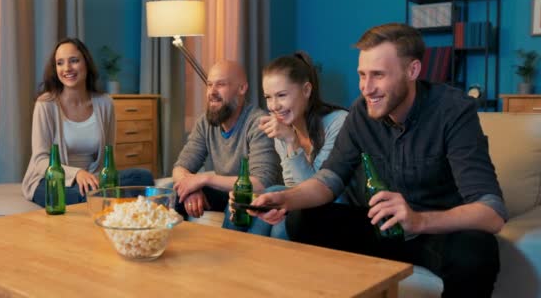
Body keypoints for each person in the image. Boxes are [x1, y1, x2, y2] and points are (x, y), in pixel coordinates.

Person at [251, 23, 507, 297]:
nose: (366, 88)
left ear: (413, 71)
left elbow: (492, 213)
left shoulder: (453, 111)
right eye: (362, 75)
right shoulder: (362, 113)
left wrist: (418, 220)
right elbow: (329, 179)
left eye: (378, 75)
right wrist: (285, 199)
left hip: (435, 231)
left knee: (477, 252)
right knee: (302, 218)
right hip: (381, 228)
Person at [225, 51, 349, 238]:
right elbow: (292, 188)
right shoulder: (282, 128)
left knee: (279, 206)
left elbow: (319, 191)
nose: (274, 106)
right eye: (268, 97)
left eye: (281, 95)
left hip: (339, 212)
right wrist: (251, 199)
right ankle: (236, 260)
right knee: (241, 202)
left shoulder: (338, 123)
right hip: (302, 208)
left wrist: (292, 141)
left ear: (306, 90)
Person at [22, 38, 154, 206]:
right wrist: (77, 174)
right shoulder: (46, 104)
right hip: (50, 181)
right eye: (60, 63)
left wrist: (98, 179)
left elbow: (109, 155)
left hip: (93, 179)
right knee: (80, 195)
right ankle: (100, 198)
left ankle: (101, 197)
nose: (67, 68)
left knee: (142, 177)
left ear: (86, 63)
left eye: (74, 61)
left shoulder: (105, 103)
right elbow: (40, 160)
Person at [172, 60, 282, 221]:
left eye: (221, 84)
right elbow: (180, 167)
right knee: (174, 192)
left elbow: (261, 183)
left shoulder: (259, 123)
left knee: (236, 202)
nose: (212, 92)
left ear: (242, 89)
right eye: (209, 85)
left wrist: (204, 179)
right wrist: (191, 189)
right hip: (223, 192)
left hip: (253, 198)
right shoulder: (204, 123)